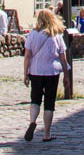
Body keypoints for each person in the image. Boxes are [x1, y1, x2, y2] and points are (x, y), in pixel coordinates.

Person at [23, 8, 70, 142]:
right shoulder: (57, 35)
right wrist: (66, 75)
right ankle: (46, 134)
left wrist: (25, 73)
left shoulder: (32, 34)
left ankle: (32, 121)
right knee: (49, 103)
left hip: (36, 71)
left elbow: (27, 56)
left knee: (35, 99)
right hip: (52, 72)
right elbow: (63, 57)